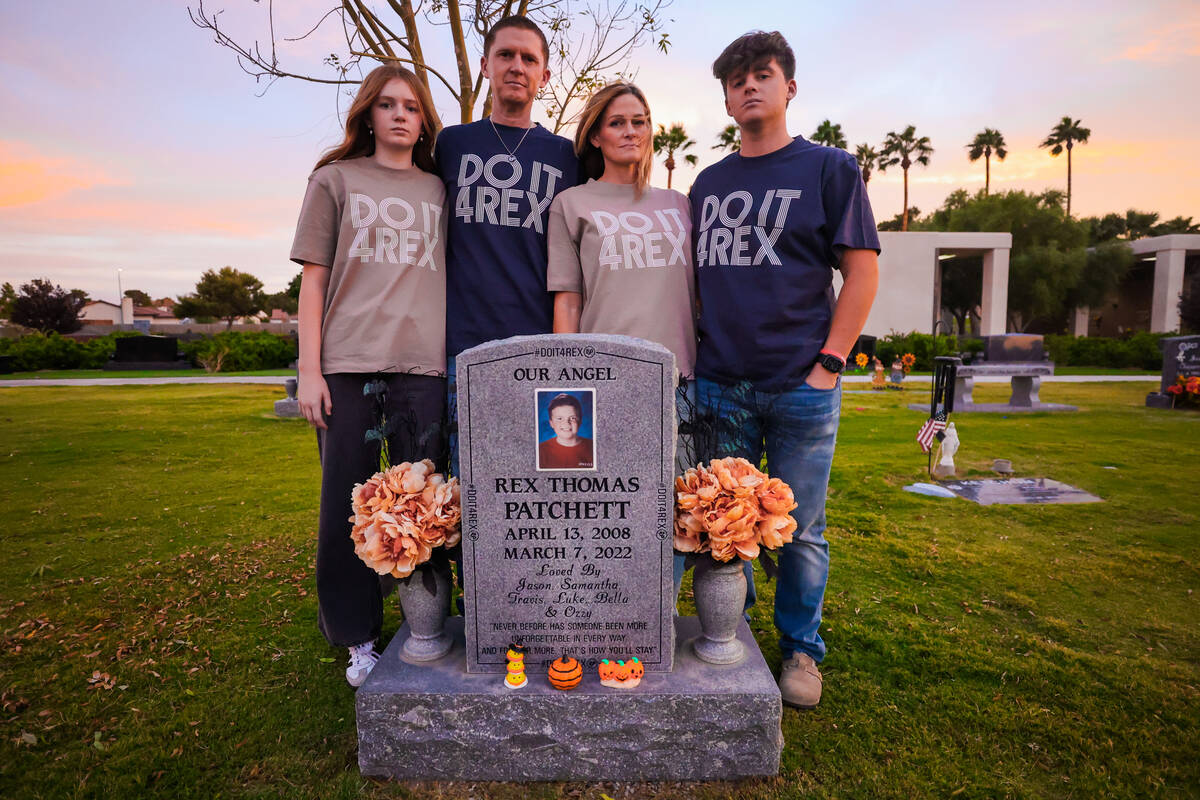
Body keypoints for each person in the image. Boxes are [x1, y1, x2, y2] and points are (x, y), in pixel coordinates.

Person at [690, 31, 880, 709]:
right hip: (720, 385)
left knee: (801, 531)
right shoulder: (707, 184)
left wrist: (830, 363)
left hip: (802, 384)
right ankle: (727, 635)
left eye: (762, 75)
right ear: (726, 97)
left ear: (789, 87)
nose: (749, 86)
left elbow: (861, 271)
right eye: (737, 79)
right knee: (722, 523)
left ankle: (802, 649)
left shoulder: (830, 170)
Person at [290, 64, 447, 688]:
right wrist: (310, 371)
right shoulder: (334, 180)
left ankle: (431, 622)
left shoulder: (440, 190)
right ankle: (358, 636)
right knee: (348, 507)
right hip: (347, 364)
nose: (401, 115)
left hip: (425, 366)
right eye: (388, 105)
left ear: (424, 119)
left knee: (427, 507)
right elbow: (314, 280)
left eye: (412, 106)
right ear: (368, 114)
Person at [544, 80, 696, 590]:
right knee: (606, 515)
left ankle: (660, 623)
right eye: (617, 123)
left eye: (639, 121)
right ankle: (608, 613)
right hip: (603, 385)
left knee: (676, 515)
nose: (630, 131)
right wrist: (567, 382)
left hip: (679, 385)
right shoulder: (571, 204)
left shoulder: (681, 204)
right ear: (595, 136)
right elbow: (567, 298)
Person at [436, 15, 580, 476]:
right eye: (506, 55)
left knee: (536, 487)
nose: (517, 66)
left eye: (529, 58)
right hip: (463, 348)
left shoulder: (566, 155)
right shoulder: (451, 145)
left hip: (538, 348)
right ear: (484, 66)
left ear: (544, 75)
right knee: (468, 491)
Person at [537, 393, 594, 469]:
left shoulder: (594, 447)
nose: (566, 423)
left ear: (580, 421)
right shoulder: (540, 451)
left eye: (572, 418)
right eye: (559, 418)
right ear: (551, 423)